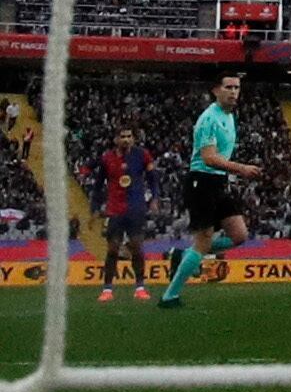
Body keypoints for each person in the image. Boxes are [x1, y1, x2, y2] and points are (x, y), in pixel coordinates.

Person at [160, 73, 255, 306]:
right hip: (201, 181)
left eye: (237, 87)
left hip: (219, 181)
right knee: (203, 240)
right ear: (216, 90)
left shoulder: (229, 116)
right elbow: (209, 157)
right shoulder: (209, 119)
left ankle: (183, 256)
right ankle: (169, 296)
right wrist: (240, 168)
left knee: (239, 235)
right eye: (229, 87)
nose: (234, 92)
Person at [90, 122, 157, 301]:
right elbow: (97, 185)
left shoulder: (142, 155)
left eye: (129, 136)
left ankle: (140, 287)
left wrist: (154, 198)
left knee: (136, 246)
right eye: (122, 136)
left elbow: (152, 178)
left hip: (135, 208)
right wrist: (95, 207)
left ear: (134, 138)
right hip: (115, 209)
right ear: (116, 139)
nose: (126, 140)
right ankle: (107, 289)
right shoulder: (107, 158)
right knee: (112, 249)